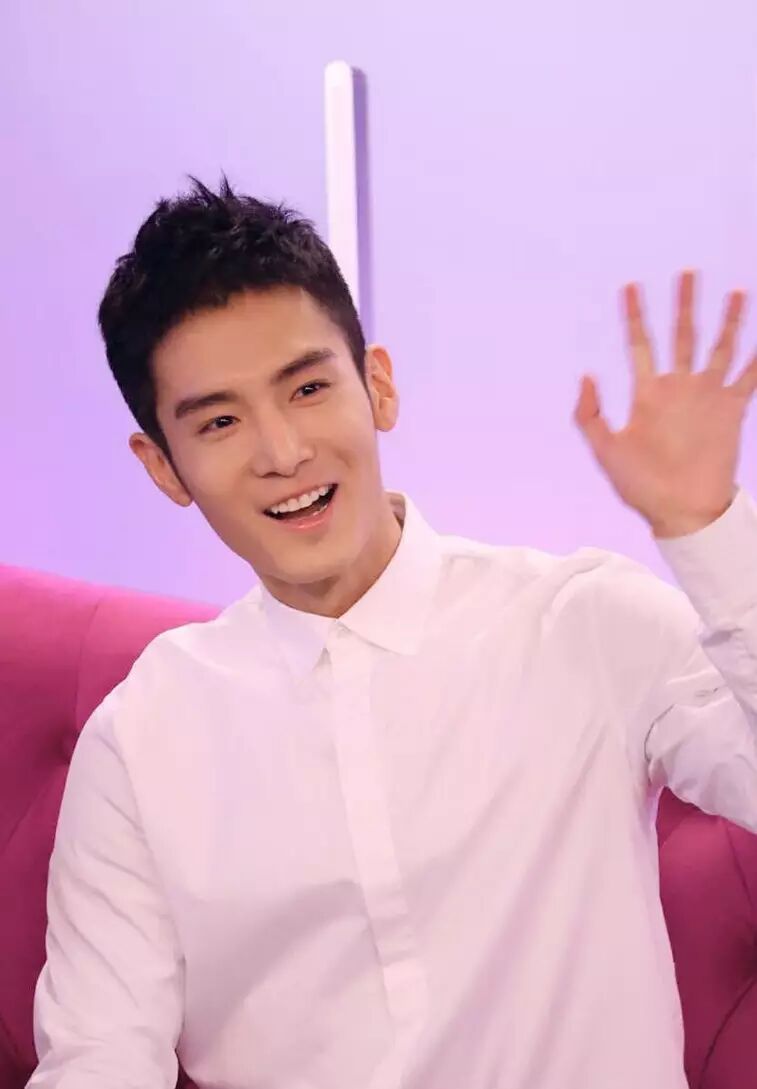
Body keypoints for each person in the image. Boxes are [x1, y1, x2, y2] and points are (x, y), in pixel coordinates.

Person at [28, 178, 757, 1089]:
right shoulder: (140, 740)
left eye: (307, 388)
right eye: (219, 421)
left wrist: (707, 527)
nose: (283, 451)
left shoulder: (581, 622)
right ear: (163, 467)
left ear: (377, 384)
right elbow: (98, 1058)